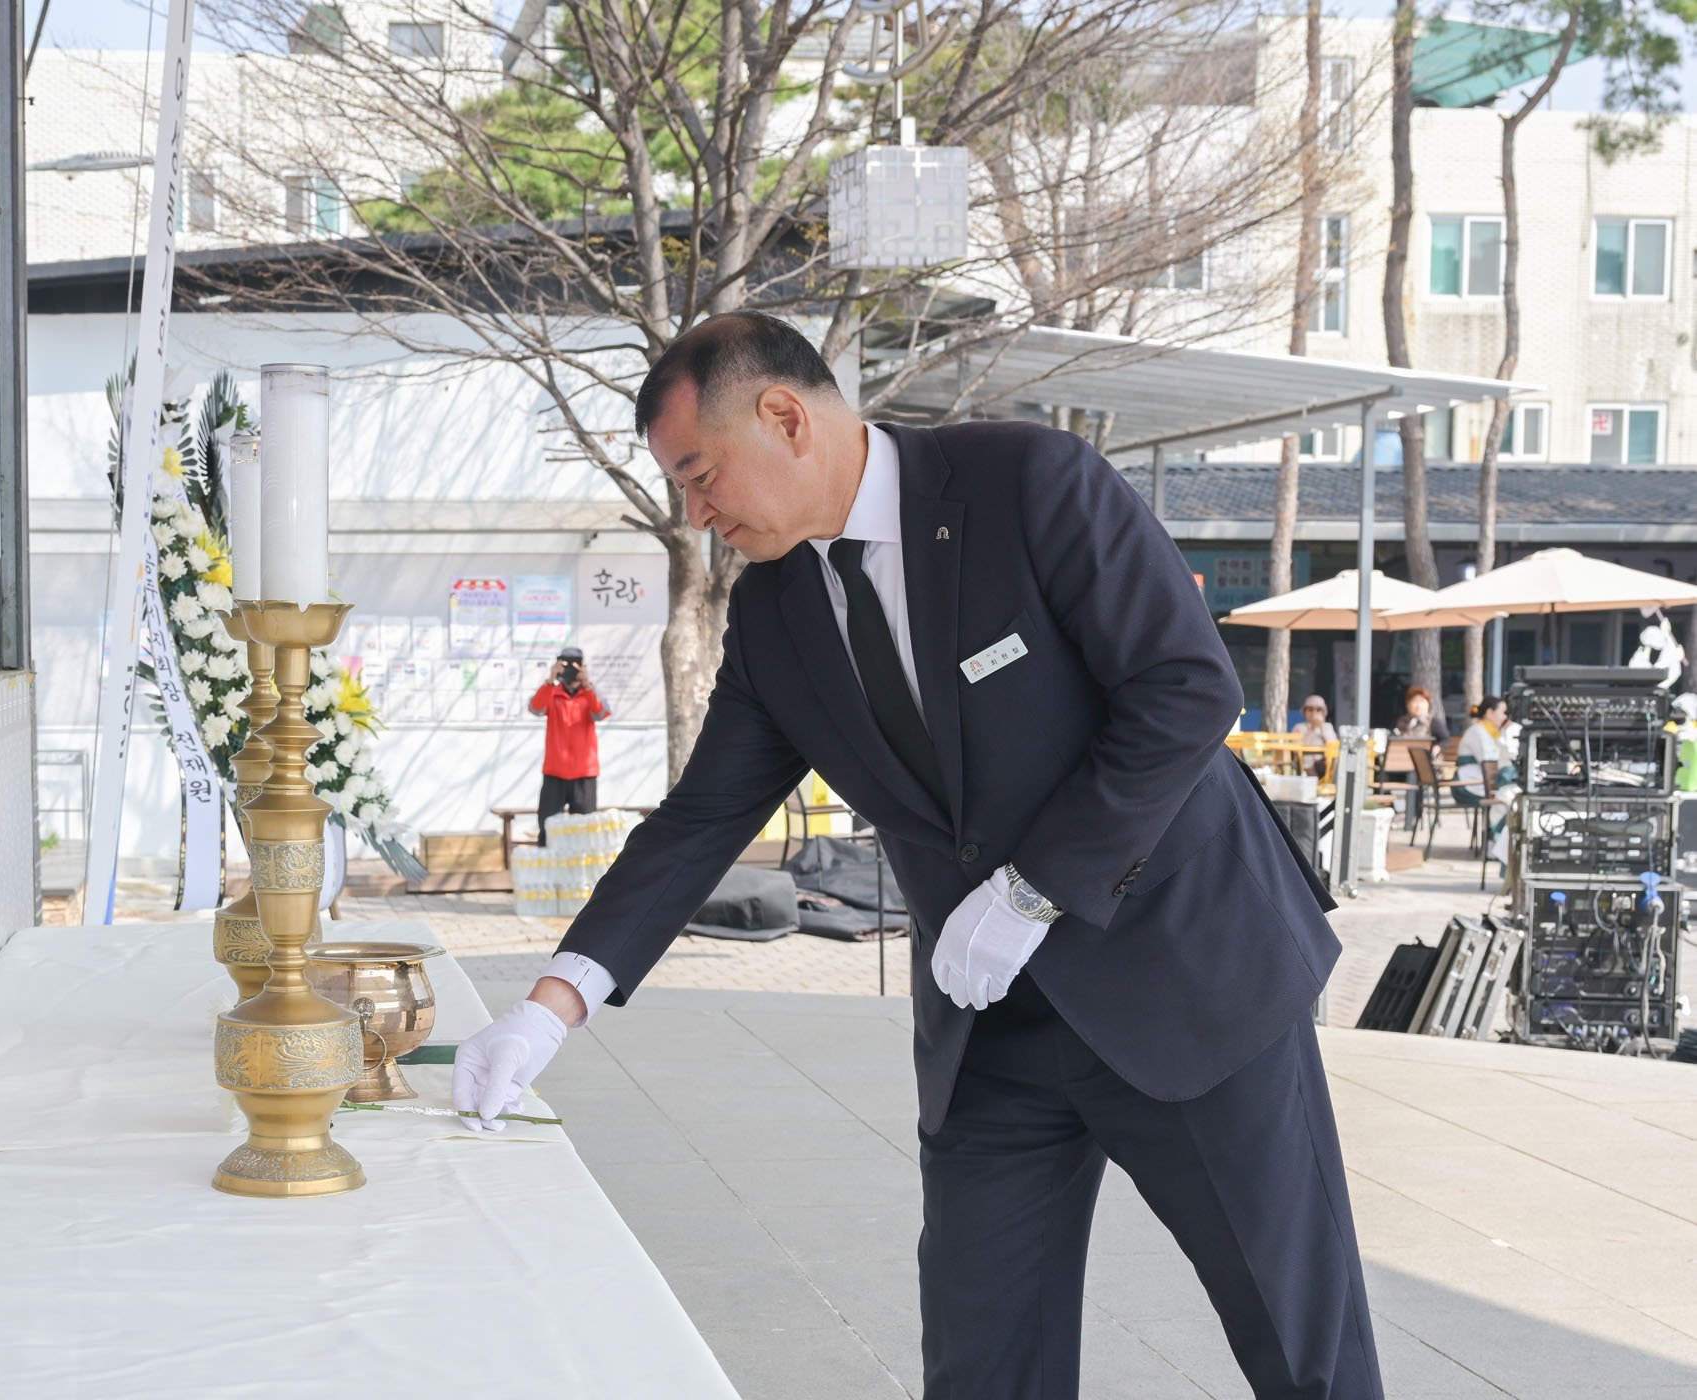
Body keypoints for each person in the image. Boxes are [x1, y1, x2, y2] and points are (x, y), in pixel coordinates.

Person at [455, 312, 1380, 1398]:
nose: (696, 513)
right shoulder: (775, 612)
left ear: (785, 416)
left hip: (1183, 978)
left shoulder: (1029, 483)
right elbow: (701, 817)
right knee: (981, 1365)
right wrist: (554, 1002)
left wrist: (1033, 891)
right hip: (991, 1033)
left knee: (1302, 1348)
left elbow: (1184, 689)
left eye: (699, 475)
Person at [528, 646, 609, 845]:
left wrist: (587, 685)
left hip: (584, 772)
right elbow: (535, 708)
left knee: (584, 831)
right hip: (555, 771)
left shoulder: (590, 692)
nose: (571, 670)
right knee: (547, 828)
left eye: (575, 665)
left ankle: (582, 866)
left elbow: (601, 713)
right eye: (566, 665)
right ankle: (547, 863)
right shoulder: (551, 691)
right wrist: (550, 679)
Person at [1453, 697, 1519, 856]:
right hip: (1468, 784)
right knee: (1505, 798)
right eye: (1503, 712)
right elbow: (1490, 759)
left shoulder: (1493, 731)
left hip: (1482, 781)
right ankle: (1494, 843)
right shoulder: (1478, 731)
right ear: (1489, 712)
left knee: (1508, 795)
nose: (1505, 717)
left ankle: (1498, 843)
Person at [1292, 694, 1338, 775]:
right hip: (1305, 767)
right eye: (1310, 709)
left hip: (1325, 767)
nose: (1314, 713)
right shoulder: (1299, 727)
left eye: (1318, 710)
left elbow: (1333, 745)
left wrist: (1321, 728)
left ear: (1324, 712)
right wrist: (1312, 729)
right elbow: (1296, 749)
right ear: (1305, 711)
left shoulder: (1327, 727)